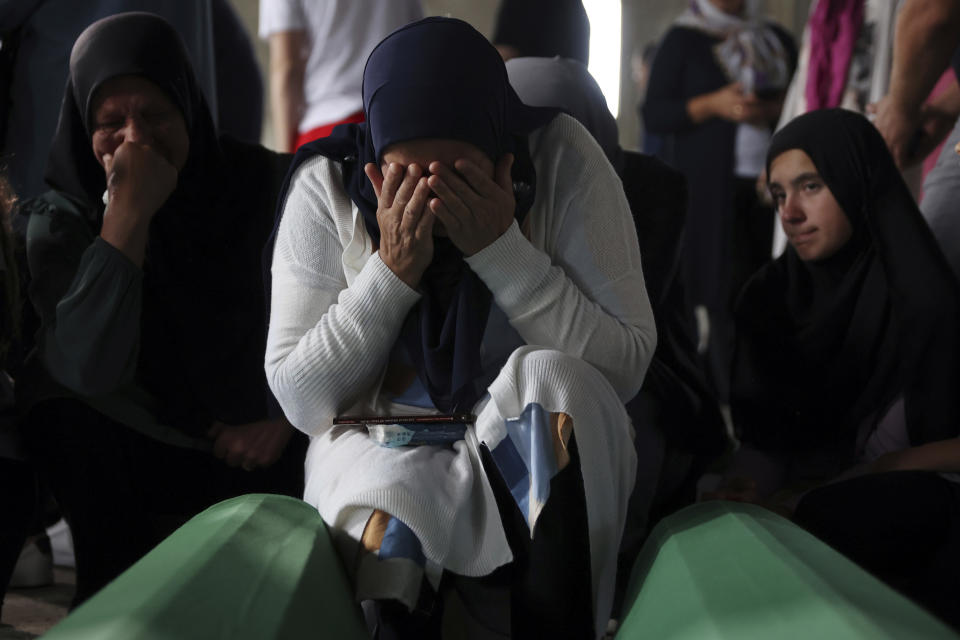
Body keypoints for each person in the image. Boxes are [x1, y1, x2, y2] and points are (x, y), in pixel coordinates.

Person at [265, 17, 656, 638]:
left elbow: (625, 364)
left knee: (549, 374)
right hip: (384, 442)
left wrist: (504, 250)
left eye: (460, 174)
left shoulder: (558, 159)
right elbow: (300, 398)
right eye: (407, 178)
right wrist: (390, 273)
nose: (434, 200)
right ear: (375, 161)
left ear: (499, 146)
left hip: (526, 452)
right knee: (385, 502)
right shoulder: (329, 184)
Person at [18, 13, 304, 606]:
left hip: (260, 452)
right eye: (110, 123)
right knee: (55, 397)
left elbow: (327, 319)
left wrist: (283, 414)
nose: (134, 140)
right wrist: (128, 216)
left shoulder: (263, 185)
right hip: (137, 459)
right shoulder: (61, 223)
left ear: (188, 110)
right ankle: (110, 594)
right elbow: (88, 371)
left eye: (155, 116)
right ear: (81, 126)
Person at [724, 108, 960, 628]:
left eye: (811, 186)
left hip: (907, 517)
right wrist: (744, 486)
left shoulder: (924, 301)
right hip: (799, 514)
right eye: (780, 193)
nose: (790, 213)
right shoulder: (767, 300)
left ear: (856, 181)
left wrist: (881, 469)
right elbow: (766, 441)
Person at [642, 0, 796, 400]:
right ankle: (723, 402)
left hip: (773, 187)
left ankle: (767, 396)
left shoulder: (774, 38)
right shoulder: (684, 38)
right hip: (712, 191)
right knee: (721, 292)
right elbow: (656, 113)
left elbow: (805, 98)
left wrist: (771, 108)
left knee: (774, 288)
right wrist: (713, 104)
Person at [258, 0, 423, 152]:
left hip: (326, 132)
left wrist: (284, 161)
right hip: (397, 130)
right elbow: (416, 39)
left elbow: (287, 68)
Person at [491, 0, 590, 63]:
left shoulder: (523, 3)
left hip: (527, 90)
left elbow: (503, 55)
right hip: (575, 89)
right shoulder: (576, 9)